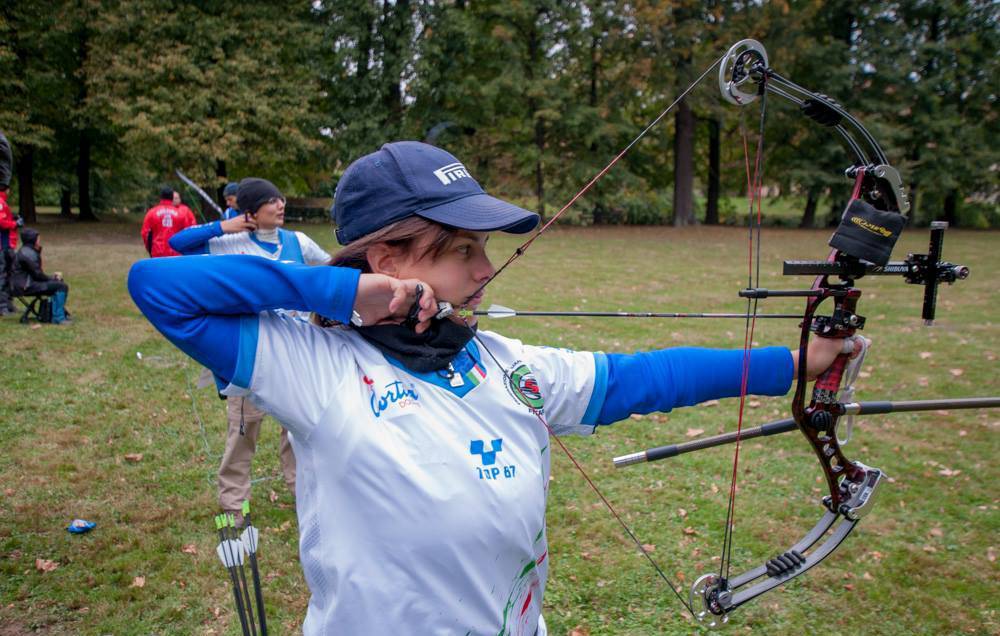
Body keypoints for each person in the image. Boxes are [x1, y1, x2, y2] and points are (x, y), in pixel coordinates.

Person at [128, 141, 848, 635]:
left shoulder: (503, 362)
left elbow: (645, 378)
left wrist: (797, 362)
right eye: (463, 250)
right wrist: (350, 291)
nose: (485, 271)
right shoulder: (314, 367)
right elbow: (158, 285)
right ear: (389, 258)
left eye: (486, 250)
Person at [168, 177, 331, 523]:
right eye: (271, 200)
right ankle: (233, 504)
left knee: (300, 430)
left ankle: (303, 493)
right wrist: (224, 225)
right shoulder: (232, 243)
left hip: (298, 352)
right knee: (244, 433)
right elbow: (177, 243)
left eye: (281, 197)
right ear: (251, 212)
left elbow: (334, 268)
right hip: (251, 352)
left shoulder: (297, 242)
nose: (280, 204)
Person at [11, 228, 70, 323]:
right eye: (38, 239)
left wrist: (52, 279)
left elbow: (36, 273)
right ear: (32, 239)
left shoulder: (26, 250)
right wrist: (52, 278)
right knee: (62, 286)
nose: (39, 241)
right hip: (25, 286)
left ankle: (55, 313)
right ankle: (59, 318)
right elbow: (38, 275)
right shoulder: (28, 254)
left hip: (22, 284)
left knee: (57, 283)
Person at [140, 186, 196, 257]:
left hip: (157, 252)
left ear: (161, 197)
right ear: (172, 197)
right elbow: (188, 232)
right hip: (176, 252)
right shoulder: (181, 214)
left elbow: (145, 233)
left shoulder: (152, 213)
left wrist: (150, 248)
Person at [0, 130, 18, 315]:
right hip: (2, 244)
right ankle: (3, 305)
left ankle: (8, 303)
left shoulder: (3, 201)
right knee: (2, 274)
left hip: (7, 244)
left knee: (8, 273)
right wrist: (14, 224)